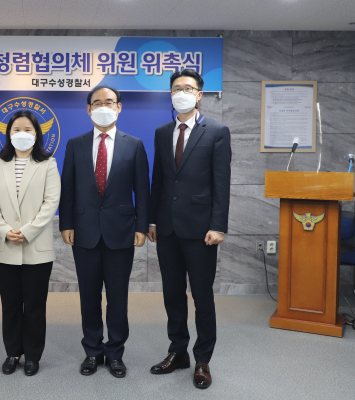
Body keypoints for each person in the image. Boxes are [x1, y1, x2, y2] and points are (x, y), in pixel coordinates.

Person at [147, 69, 231, 389]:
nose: (181, 92)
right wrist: (153, 220)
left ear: (199, 94)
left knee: (201, 295)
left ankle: (202, 359)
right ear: (171, 95)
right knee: (172, 294)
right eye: (176, 88)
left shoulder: (217, 131)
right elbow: (159, 180)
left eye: (188, 88)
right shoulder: (162, 132)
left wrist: (218, 225)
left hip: (201, 230)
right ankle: (178, 351)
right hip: (167, 228)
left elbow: (221, 182)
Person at [59, 86, 149, 378]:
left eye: (109, 102)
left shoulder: (134, 144)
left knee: (118, 298)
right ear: (88, 109)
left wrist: (141, 226)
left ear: (119, 107)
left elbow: (142, 190)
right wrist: (66, 223)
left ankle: (115, 353)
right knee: (89, 296)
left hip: (121, 232)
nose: (103, 107)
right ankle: (92, 351)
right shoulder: (75, 144)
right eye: (97, 103)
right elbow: (68, 188)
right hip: (84, 231)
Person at [0, 110, 61, 377]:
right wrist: (6, 230)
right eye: (16, 129)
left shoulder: (48, 164)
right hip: (5, 246)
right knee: (10, 304)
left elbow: (51, 202)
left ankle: (32, 355)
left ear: (37, 134)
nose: (22, 134)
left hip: (36, 247)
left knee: (35, 305)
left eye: (28, 129)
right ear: (8, 134)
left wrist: (27, 231)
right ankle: (12, 353)